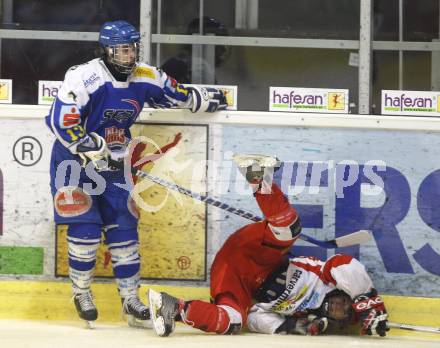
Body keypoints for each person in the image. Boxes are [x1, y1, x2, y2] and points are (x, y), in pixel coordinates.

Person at [45, 20, 227, 328]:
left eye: (132, 50)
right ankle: (81, 292)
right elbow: (60, 121)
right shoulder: (84, 77)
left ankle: (131, 302)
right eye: (122, 51)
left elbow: (176, 93)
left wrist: (205, 100)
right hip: (73, 164)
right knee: (86, 231)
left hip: (115, 164)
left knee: (125, 230)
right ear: (106, 51)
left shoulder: (145, 74)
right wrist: (89, 145)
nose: (129, 57)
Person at [148, 155, 302, 336]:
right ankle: (256, 173)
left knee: (234, 321)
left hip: (236, 277)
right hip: (254, 254)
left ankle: (173, 306)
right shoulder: (325, 277)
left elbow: (259, 319)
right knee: (288, 229)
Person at [247, 254, 389, 337]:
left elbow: (253, 317)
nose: (340, 306)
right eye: (345, 300)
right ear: (343, 291)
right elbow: (343, 263)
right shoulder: (326, 279)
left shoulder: (308, 317)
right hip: (259, 259)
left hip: (244, 284)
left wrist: (289, 325)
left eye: (344, 312)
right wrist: (368, 301)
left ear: (339, 321)